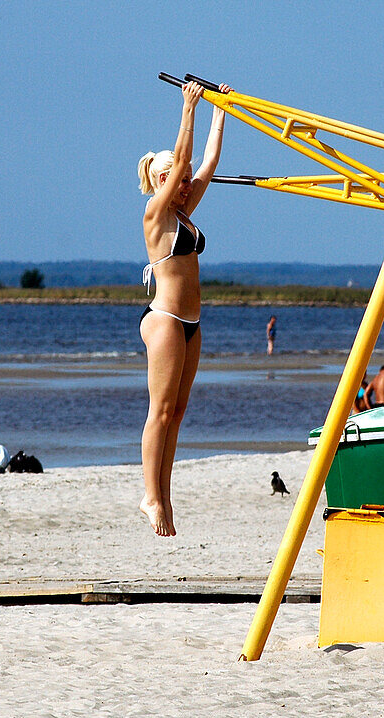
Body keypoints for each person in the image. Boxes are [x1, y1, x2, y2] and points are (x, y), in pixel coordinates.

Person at [136, 79, 232, 537]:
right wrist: (188, 109)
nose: (183, 177)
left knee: (178, 413)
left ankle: (165, 497)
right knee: (160, 410)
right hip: (165, 321)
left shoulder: (186, 210)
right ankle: (149, 495)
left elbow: (207, 163)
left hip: (192, 322)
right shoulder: (156, 213)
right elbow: (185, 156)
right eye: (173, 173)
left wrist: (219, 113)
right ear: (159, 179)